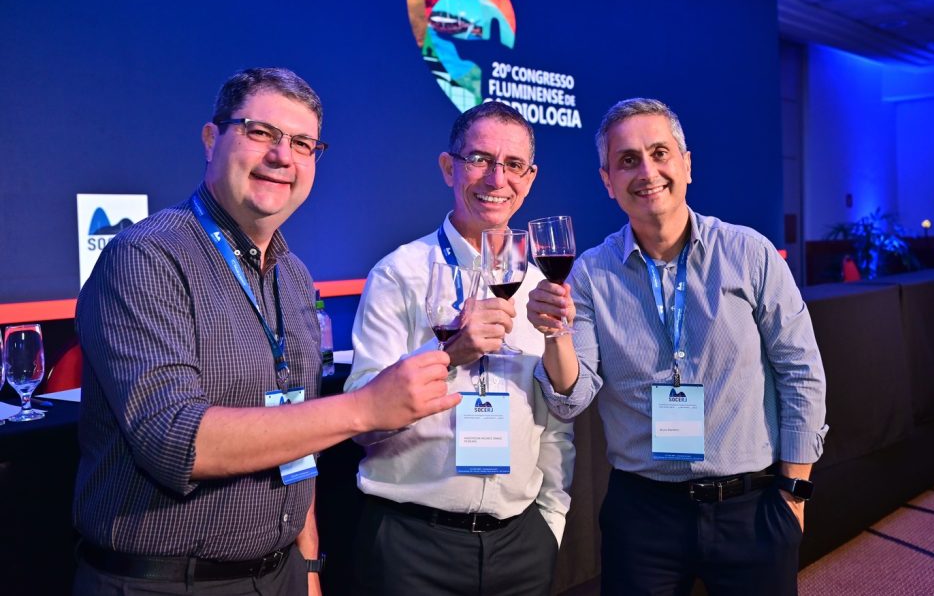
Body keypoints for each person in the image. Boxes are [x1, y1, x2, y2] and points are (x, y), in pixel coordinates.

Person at [73, 68, 458, 596]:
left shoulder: (292, 275)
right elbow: (174, 441)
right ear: (211, 139)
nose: (282, 156)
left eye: (302, 143)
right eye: (260, 132)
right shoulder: (146, 257)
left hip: (280, 575)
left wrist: (309, 567)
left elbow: (297, 432)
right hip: (166, 582)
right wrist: (366, 408)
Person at [529, 98, 828, 596]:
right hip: (643, 516)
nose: (647, 172)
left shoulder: (749, 253)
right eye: (628, 160)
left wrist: (795, 491)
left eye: (659, 153)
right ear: (608, 181)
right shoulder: (590, 274)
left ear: (686, 164)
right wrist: (555, 332)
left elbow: (800, 371)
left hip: (750, 507)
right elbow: (571, 397)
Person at [345, 101, 574, 596]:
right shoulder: (399, 274)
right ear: (449, 167)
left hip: (520, 546)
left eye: (513, 165)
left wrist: (550, 523)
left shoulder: (539, 286)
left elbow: (555, 424)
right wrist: (448, 355)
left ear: (529, 178)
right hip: (413, 546)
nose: (496, 178)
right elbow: (361, 423)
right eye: (479, 159)